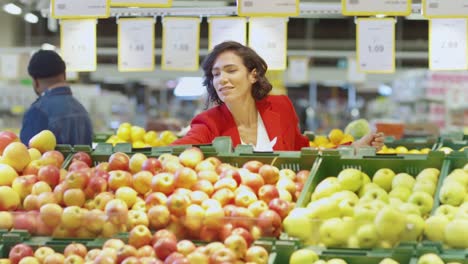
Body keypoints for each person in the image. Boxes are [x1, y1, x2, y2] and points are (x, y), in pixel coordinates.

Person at [173, 41, 384, 151]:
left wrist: (354, 148)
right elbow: (181, 149)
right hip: (235, 212)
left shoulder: (281, 107)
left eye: (231, 70)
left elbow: (304, 153)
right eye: (216, 74)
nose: (221, 79)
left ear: (252, 75)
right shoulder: (209, 122)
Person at [20, 49, 93, 146]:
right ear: (64, 75)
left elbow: (26, 157)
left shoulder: (37, 112)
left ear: (35, 81)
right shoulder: (82, 110)